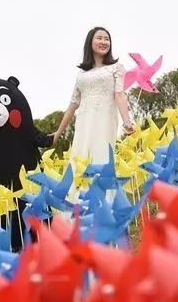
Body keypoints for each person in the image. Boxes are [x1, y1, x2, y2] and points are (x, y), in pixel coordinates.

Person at [52, 26, 134, 203]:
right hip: (83, 124)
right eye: (100, 38)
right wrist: (58, 133)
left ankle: (103, 207)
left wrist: (128, 122)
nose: (104, 42)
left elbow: (120, 95)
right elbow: (73, 105)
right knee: (80, 160)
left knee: (102, 159)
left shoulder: (116, 68)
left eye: (107, 39)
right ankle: (79, 209)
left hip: (104, 122)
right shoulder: (82, 74)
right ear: (90, 42)